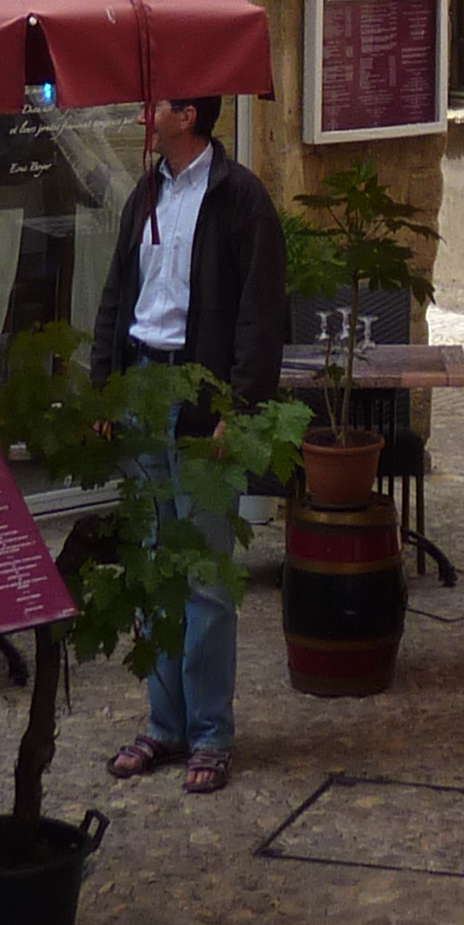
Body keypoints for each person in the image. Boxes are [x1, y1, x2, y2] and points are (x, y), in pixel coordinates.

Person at [88, 92, 285, 794]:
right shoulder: (145, 192)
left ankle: (208, 734)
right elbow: (119, 291)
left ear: (190, 117)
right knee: (150, 564)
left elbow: (262, 313)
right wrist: (105, 381)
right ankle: (162, 724)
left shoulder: (239, 199)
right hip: (143, 386)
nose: (146, 112)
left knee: (204, 574)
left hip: (201, 398)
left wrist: (241, 403)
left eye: (161, 103)